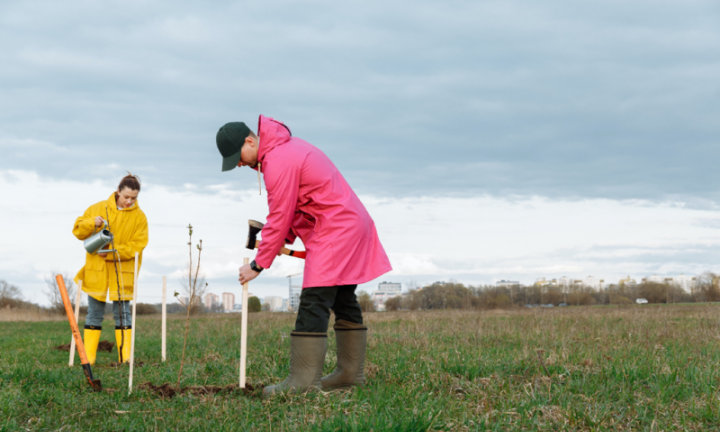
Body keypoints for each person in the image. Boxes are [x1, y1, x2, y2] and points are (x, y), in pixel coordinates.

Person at [216, 115, 392, 398]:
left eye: (238, 157)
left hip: (335, 229)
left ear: (250, 141)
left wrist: (258, 263)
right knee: (343, 298)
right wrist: (279, 240)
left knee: (314, 300)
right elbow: (293, 214)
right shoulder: (286, 149)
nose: (239, 164)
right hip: (348, 224)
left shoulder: (278, 161)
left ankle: (303, 383)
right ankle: (350, 375)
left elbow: (280, 214)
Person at [72, 174, 148, 365]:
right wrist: (93, 224)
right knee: (94, 312)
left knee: (123, 313)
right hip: (96, 270)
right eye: (126, 197)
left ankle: (126, 358)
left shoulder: (140, 217)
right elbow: (78, 231)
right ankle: (88, 359)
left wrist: (113, 253)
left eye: (134, 198)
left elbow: (137, 245)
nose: (129, 201)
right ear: (118, 192)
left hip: (124, 271)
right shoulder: (97, 208)